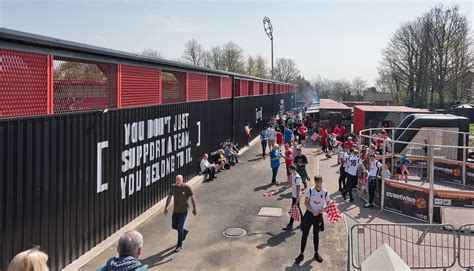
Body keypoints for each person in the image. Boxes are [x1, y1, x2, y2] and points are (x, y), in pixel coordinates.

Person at [294, 175, 330, 264]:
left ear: (322, 181)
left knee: (316, 235)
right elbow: (306, 203)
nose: (318, 183)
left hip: (318, 216)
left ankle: (316, 253)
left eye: (319, 181)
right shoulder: (310, 191)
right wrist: (312, 210)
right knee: (304, 234)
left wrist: (322, 210)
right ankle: (301, 254)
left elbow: (328, 204)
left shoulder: (325, 192)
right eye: (316, 181)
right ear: (315, 182)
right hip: (309, 215)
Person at [164, 175, 197, 252]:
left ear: (182, 180)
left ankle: (179, 244)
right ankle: (184, 231)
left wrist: (194, 209)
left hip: (183, 211)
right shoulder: (173, 187)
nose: (177, 181)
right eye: (176, 179)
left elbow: (192, 198)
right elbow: (169, 197)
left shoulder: (187, 188)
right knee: (174, 226)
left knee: (179, 227)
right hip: (176, 211)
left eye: (179, 180)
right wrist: (166, 207)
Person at [284, 165, 303, 231]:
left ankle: (291, 224)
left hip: (296, 196)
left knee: (295, 208)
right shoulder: (293, 175)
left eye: (289, 169)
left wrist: (297, 198)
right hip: (294, 195)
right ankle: (295, 223)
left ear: (292, 169)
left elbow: (298, 188)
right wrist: (286, 187)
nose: (289, 171)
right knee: (295, 208)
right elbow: (292, 184)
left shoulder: (297, 177)